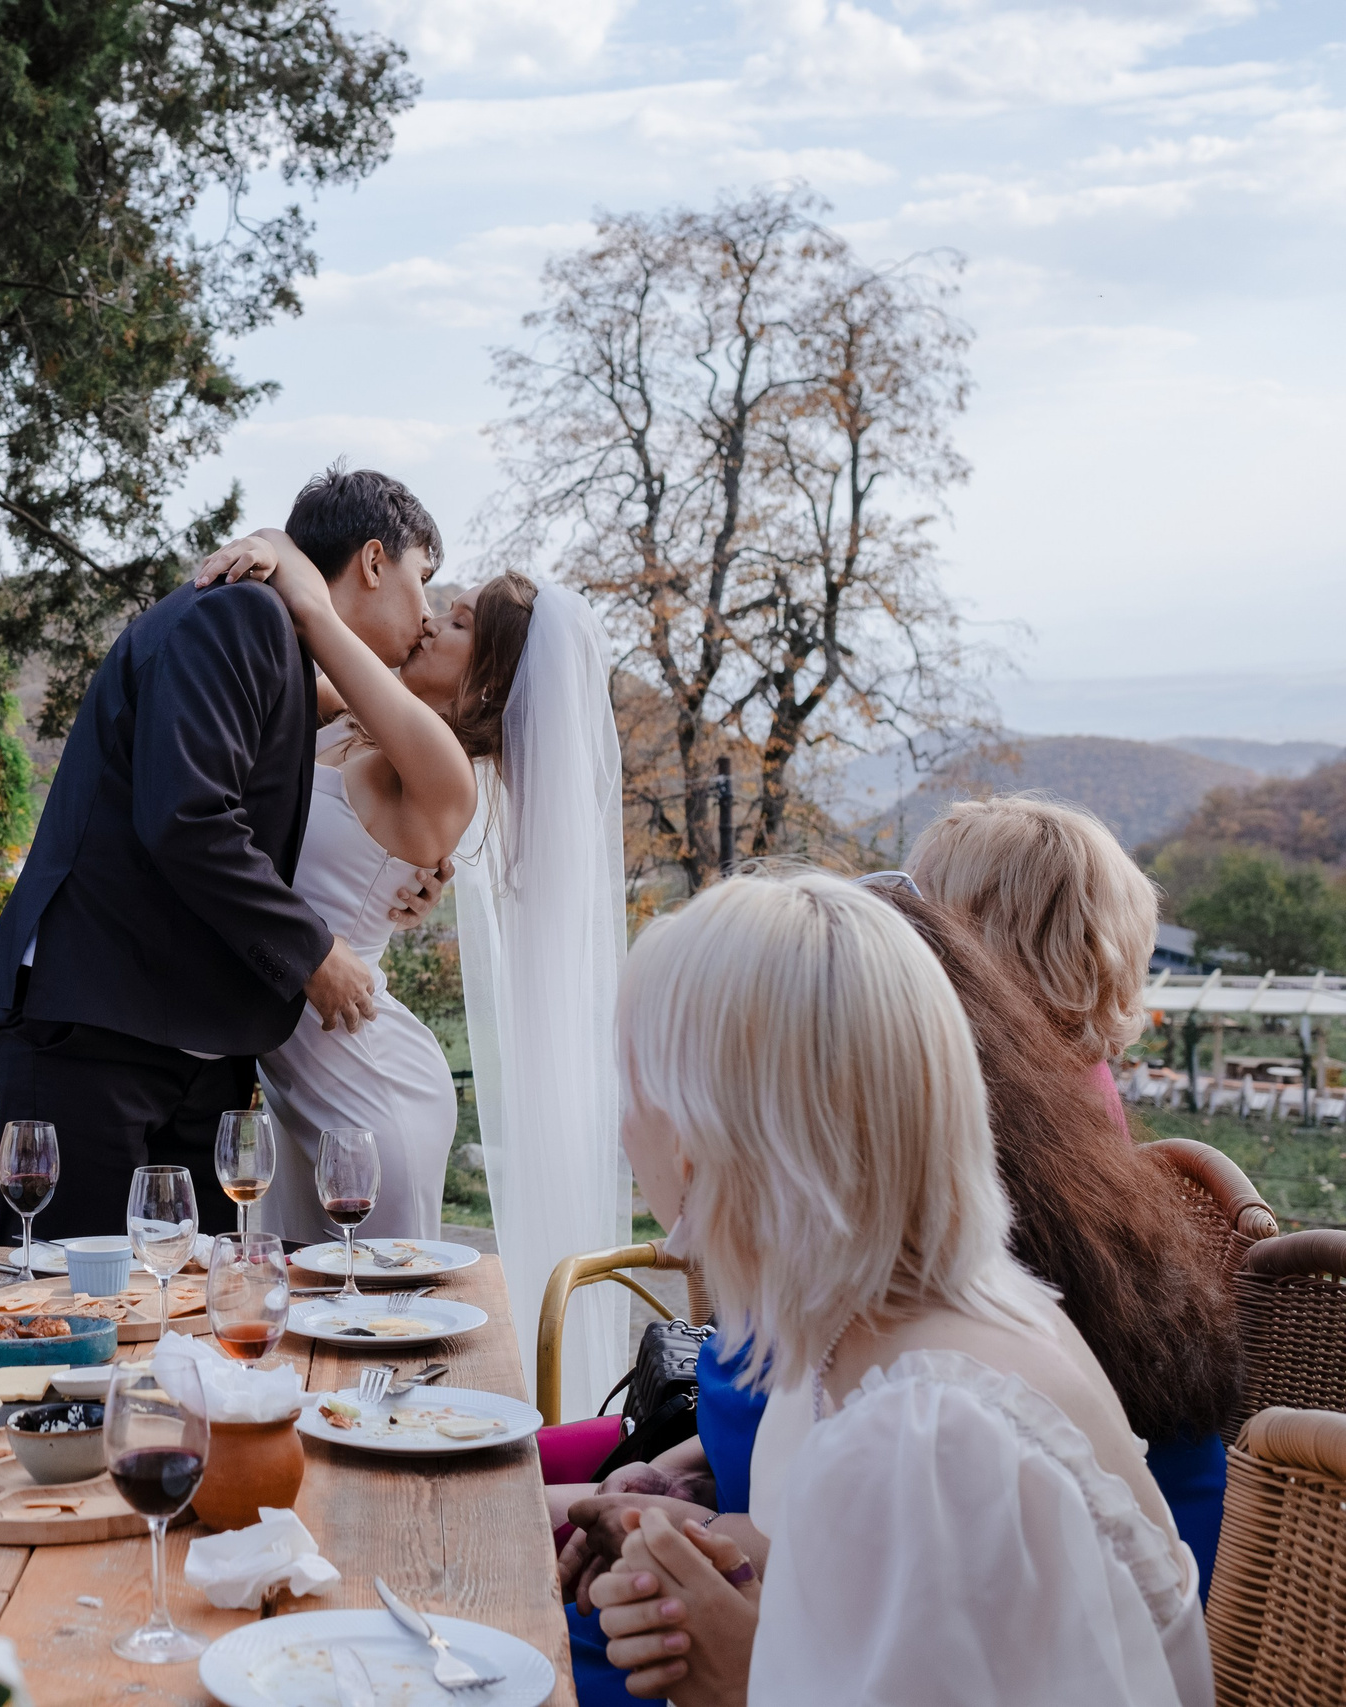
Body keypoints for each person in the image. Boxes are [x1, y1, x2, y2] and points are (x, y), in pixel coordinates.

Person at [554, 874, 1238, 1704]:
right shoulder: (876, 1329)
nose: (624, 1129)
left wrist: (736, 1675)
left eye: (633, 1094)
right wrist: (694, 1558)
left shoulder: (926, 1425)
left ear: (701, 1141)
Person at [0, 467, 438, 1239]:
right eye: (423, 580)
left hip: (193, 1050)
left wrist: (407, 871)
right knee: (74, 1325)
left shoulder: (279, 643)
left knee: (193, 1329)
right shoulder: (238, 616)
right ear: (375, 561)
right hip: (96, 1034)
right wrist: (315, 954)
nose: (428, 614)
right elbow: (188, 817)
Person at [186, 502, 486, 1239]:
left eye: (459, 623)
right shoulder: (349, 722)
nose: (431, 618)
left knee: (376, 1321)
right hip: (292, 1085)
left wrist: (279, 545)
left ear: (491, 676)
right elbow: (298, 645)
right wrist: (273, 545)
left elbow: (319, 617)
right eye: (436, 599)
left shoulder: (444, 769)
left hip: (370, 1089)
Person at [911, 795, 1161, 1140]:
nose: (897, 923)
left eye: (916, 906)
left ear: (998, 951)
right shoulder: (1064, 1080)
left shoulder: (993, 1116)